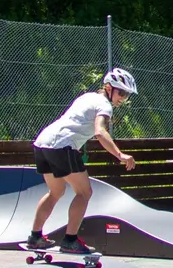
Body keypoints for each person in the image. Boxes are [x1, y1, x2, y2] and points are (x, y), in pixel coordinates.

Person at [28, 67, 138, 253]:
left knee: (56, 192)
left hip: (42, 143)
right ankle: (70, 240)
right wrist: (120, 155)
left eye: (126, 95)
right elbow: (100, 132)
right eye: (121, 93)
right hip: (62, 146)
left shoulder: (86, 96)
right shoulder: (105, 105)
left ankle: (35, 237)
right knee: (84, 192)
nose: (123, 98)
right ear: (109, 88)